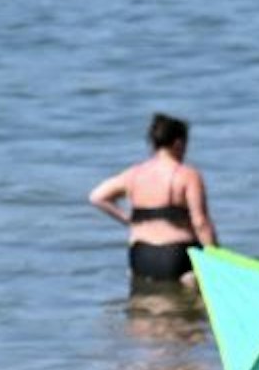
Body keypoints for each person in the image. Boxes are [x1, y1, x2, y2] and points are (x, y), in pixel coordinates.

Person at [87, 113, 219, 286]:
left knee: (147, 300)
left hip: (141, 255)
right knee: (191, 296)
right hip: (176, 255)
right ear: (178, 143)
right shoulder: (187, 175)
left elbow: (97, 197)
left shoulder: (134, 174)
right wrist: (216, 259)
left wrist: (129, 220)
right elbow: (200, 223)